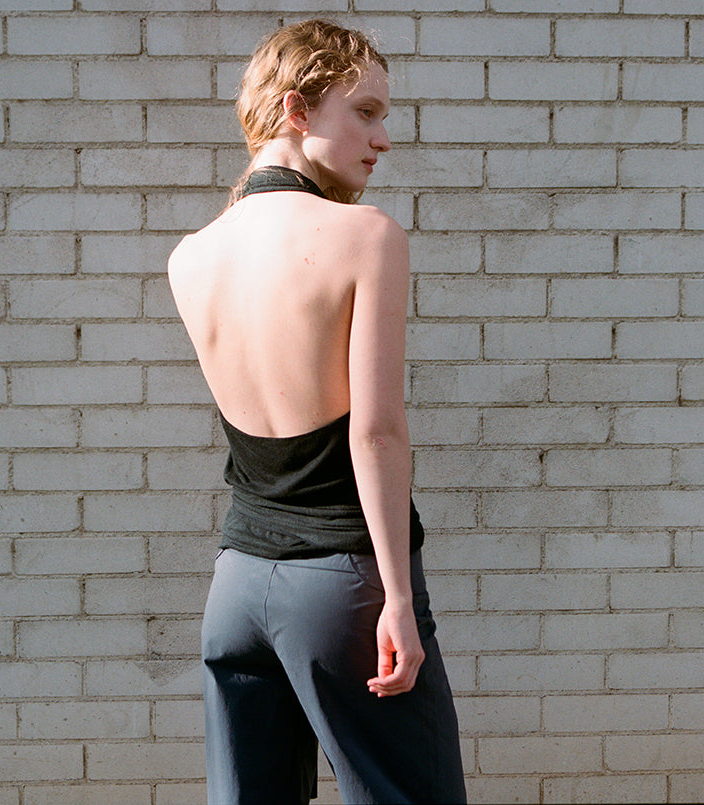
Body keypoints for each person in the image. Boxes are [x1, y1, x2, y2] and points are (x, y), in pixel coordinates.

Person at [168, 19, 466, 805]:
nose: (384, 138)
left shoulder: (192, 254)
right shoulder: (366, 236)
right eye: (365, 112)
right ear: (297, 110)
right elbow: (374, 430)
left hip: (236, 590)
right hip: (343, 586)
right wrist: (397, 598)